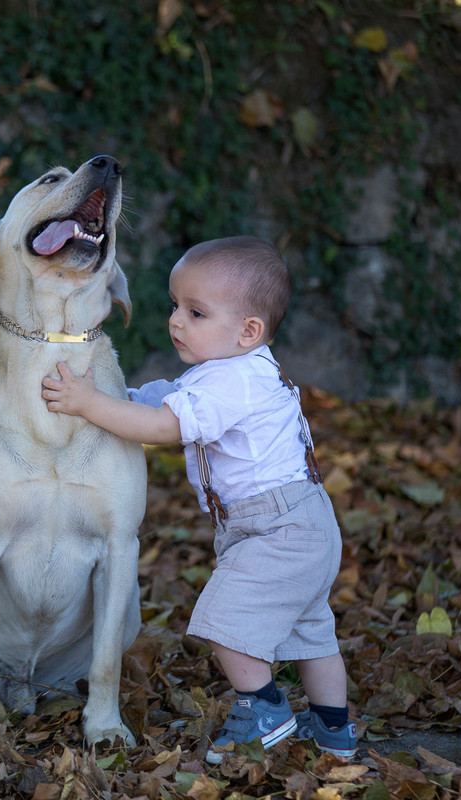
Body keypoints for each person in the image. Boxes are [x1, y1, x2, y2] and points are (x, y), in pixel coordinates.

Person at [41, 235, 356, 763]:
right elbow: (167, 399)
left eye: (196, 311)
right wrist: (117, 397)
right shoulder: (235, 371)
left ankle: (264, 710)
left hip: (277, 529)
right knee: (311, 633)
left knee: (224, 619)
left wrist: (88, 404)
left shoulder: (231, 383)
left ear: (248, 330)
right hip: (304, 523)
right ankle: (334, 731)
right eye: (174, 306)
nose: (176, 321)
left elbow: (165, 425)